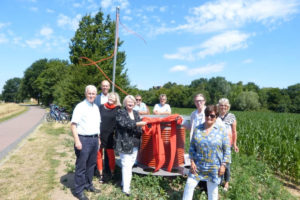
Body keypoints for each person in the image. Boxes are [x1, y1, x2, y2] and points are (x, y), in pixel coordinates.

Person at [182, 105, 231, 200]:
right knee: (189, 185)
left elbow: (227, 150)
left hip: (214, 167)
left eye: (212, 115)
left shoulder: (221, 130)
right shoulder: (198, 129)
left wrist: (223, 165)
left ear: (216, 117)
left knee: (212, 192)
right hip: (197, 166)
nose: (209, 117)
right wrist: (191, 162)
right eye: (207, 115)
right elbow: (192, 147)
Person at [71, 85, 101, 200]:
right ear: (85, 94)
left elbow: (97, 125)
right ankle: (79, 191)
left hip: (94, 139)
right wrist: (77, 140)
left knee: (91, 165)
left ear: (96, 95)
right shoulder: (80, 107)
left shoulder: (96, 108)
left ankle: (88, 185)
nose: (91, 95)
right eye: (89, 93)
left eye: (93, 94)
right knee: (81, 166)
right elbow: (73, 125)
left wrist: (98, 138)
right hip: (83, 139)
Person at [115, 95, 147, 196]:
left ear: (135, 103)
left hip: (135, 143)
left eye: (132, 102)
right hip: (124, 143)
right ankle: (126, 189)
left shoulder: (136, 113)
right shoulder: (121, 112)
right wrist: (138, 124)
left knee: (130, 164)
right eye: (128, 101)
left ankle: (123, 183)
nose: (130, 103)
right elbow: (124, 124)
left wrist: (142, 127)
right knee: (126, 165)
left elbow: (138, 128)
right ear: (125, 103)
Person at [96, 92, 121, 183]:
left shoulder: (118, 109)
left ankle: (112, 173)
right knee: (99, 155)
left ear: (116, 99)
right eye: (110, 96)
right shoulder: (101, 107)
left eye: (113, 97)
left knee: (111, 156)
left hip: (110, 135)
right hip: (99, 134)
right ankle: (101, 174)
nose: (111, 98)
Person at [217, 98, 239, 191]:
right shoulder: (215, 115)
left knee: (227, 164)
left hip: (227, 144)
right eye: (221, 105)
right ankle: (219, 180)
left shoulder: (231, 116)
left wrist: (234, 144)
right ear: (219, 106)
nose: (223, 107)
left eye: (225, 105)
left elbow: (234, 132)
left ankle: (226, 182)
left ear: (228, 107)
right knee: (218, 162)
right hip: (217, 144)